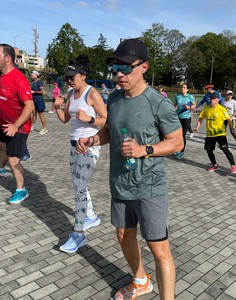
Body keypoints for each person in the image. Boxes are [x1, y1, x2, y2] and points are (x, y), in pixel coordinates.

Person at [77, 38, 183, 300]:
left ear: (144, 67)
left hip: (149, 186)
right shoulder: (113, 98)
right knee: (124, 235)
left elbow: (177, 142)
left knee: (159, 249)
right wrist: (92, 139)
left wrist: (144, 149)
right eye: (116, 68)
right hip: (120, 183)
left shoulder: (157, 103)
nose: (119, 74)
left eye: (126, 68)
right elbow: (109, 131)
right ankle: (141, 281)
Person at [54, 54, 107, 253]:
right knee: (79, 184)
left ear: (83, 75)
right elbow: (65, 119)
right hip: (73, 144)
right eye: (67, 77)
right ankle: (91, 216)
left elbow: (106, 119)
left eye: (72, 77)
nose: (68, 80)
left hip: (90, 145)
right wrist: (57, 107)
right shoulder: (70, 94)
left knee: (78, 185)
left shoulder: (91, 94)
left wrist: (89, 119)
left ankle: (78, 234)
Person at [0, 43, 34, 203]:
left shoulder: (18, 79)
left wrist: (16, 125)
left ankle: (21, 190)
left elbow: (30, 105)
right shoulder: (3, 76)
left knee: (13, 159)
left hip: (18, 127)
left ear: (8, 58)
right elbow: (4, 100)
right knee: (2, 147)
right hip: (5, 124)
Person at [194, 92, 236, 174]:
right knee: (209, 150)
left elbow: (229, 119)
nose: (211, 100)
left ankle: (233, 166)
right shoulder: (206, 108)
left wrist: (231, 129)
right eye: (210, 98)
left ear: (217, 100)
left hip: (220, 134)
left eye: (213, 99)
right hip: (210, 134)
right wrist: (197, 127)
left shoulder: (222, 109)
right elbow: (200, 118)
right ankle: (214, 165)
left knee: (225, 149)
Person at [174, 83, 196, 159]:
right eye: (182, 87)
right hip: (178, 117)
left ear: (187, 89)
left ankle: (182, 151)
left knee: (182, 135)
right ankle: (177, 149)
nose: (182, 88)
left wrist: (189, 107)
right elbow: (175, 106)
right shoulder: (177, 96)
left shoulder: (190, 97)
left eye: (184, 87)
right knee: (177, 135)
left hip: (186, 118)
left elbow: (194, 105)